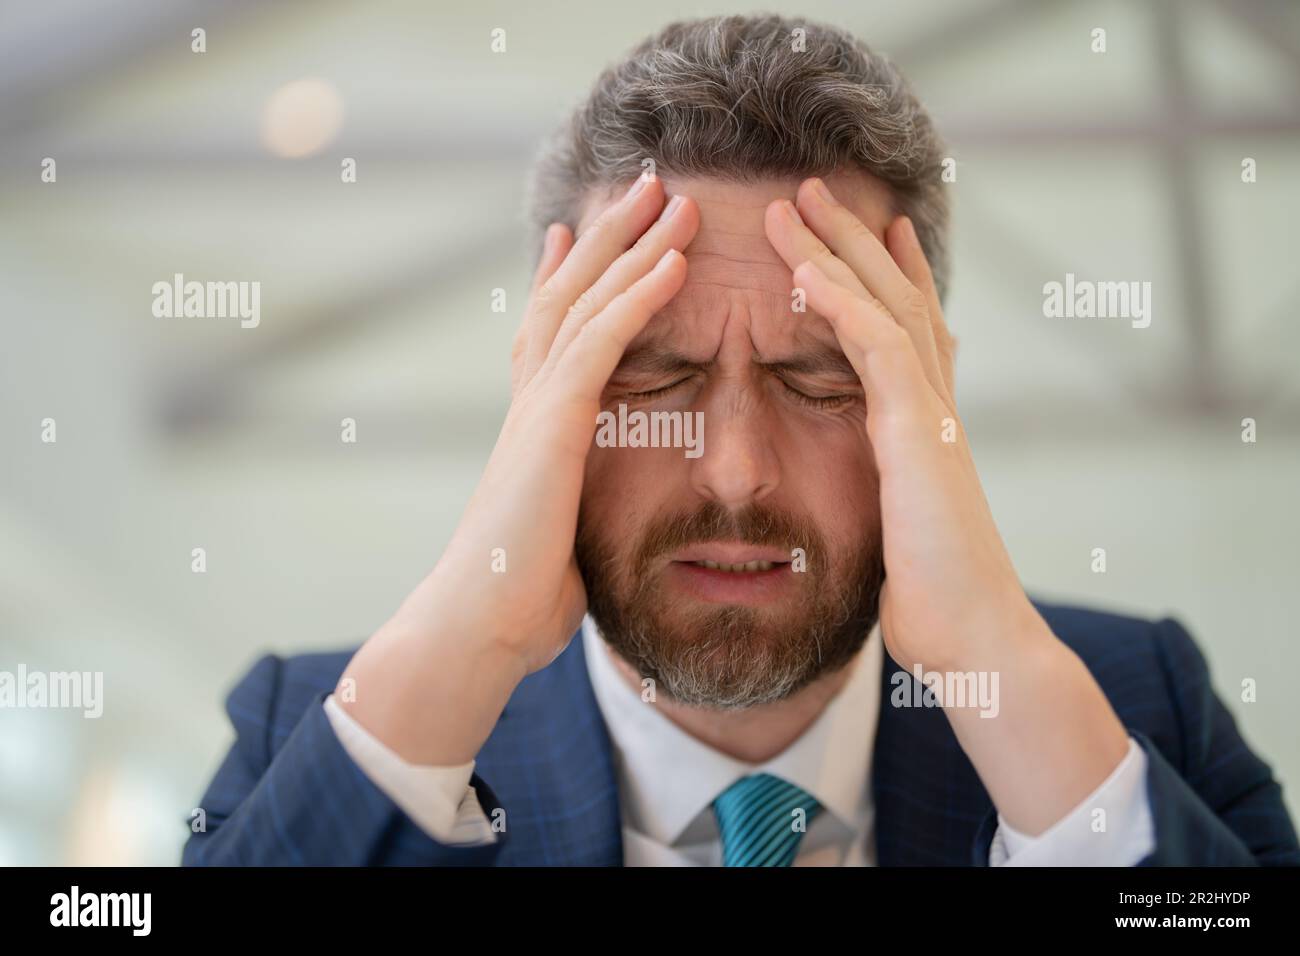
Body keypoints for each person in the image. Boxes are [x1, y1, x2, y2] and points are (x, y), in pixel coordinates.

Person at [183, 14, 1298, 866]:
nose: (732, 468)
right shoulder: (322, 729)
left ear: (927, 395)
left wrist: (993, 670)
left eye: (820, 378)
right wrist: (463, 643)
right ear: (540, 383)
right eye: (652, 371)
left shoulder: (1132, 708)